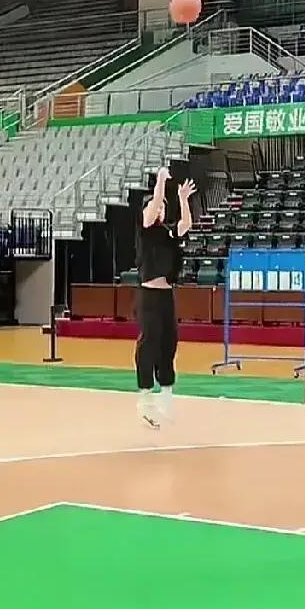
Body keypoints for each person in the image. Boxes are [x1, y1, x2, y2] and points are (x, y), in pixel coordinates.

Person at [136, 166, 195, 429]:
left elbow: (186, 224)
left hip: (166, 295)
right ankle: (145, 397)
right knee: (149, 341)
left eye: (162, 207)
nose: (160, 209)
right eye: (157, 206)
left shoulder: (167, 233)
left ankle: (166, 394)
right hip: (148, 295)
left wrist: (182, 199)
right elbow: (155, 203)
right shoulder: (146, 229)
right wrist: (161, 179)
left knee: (169, 342)